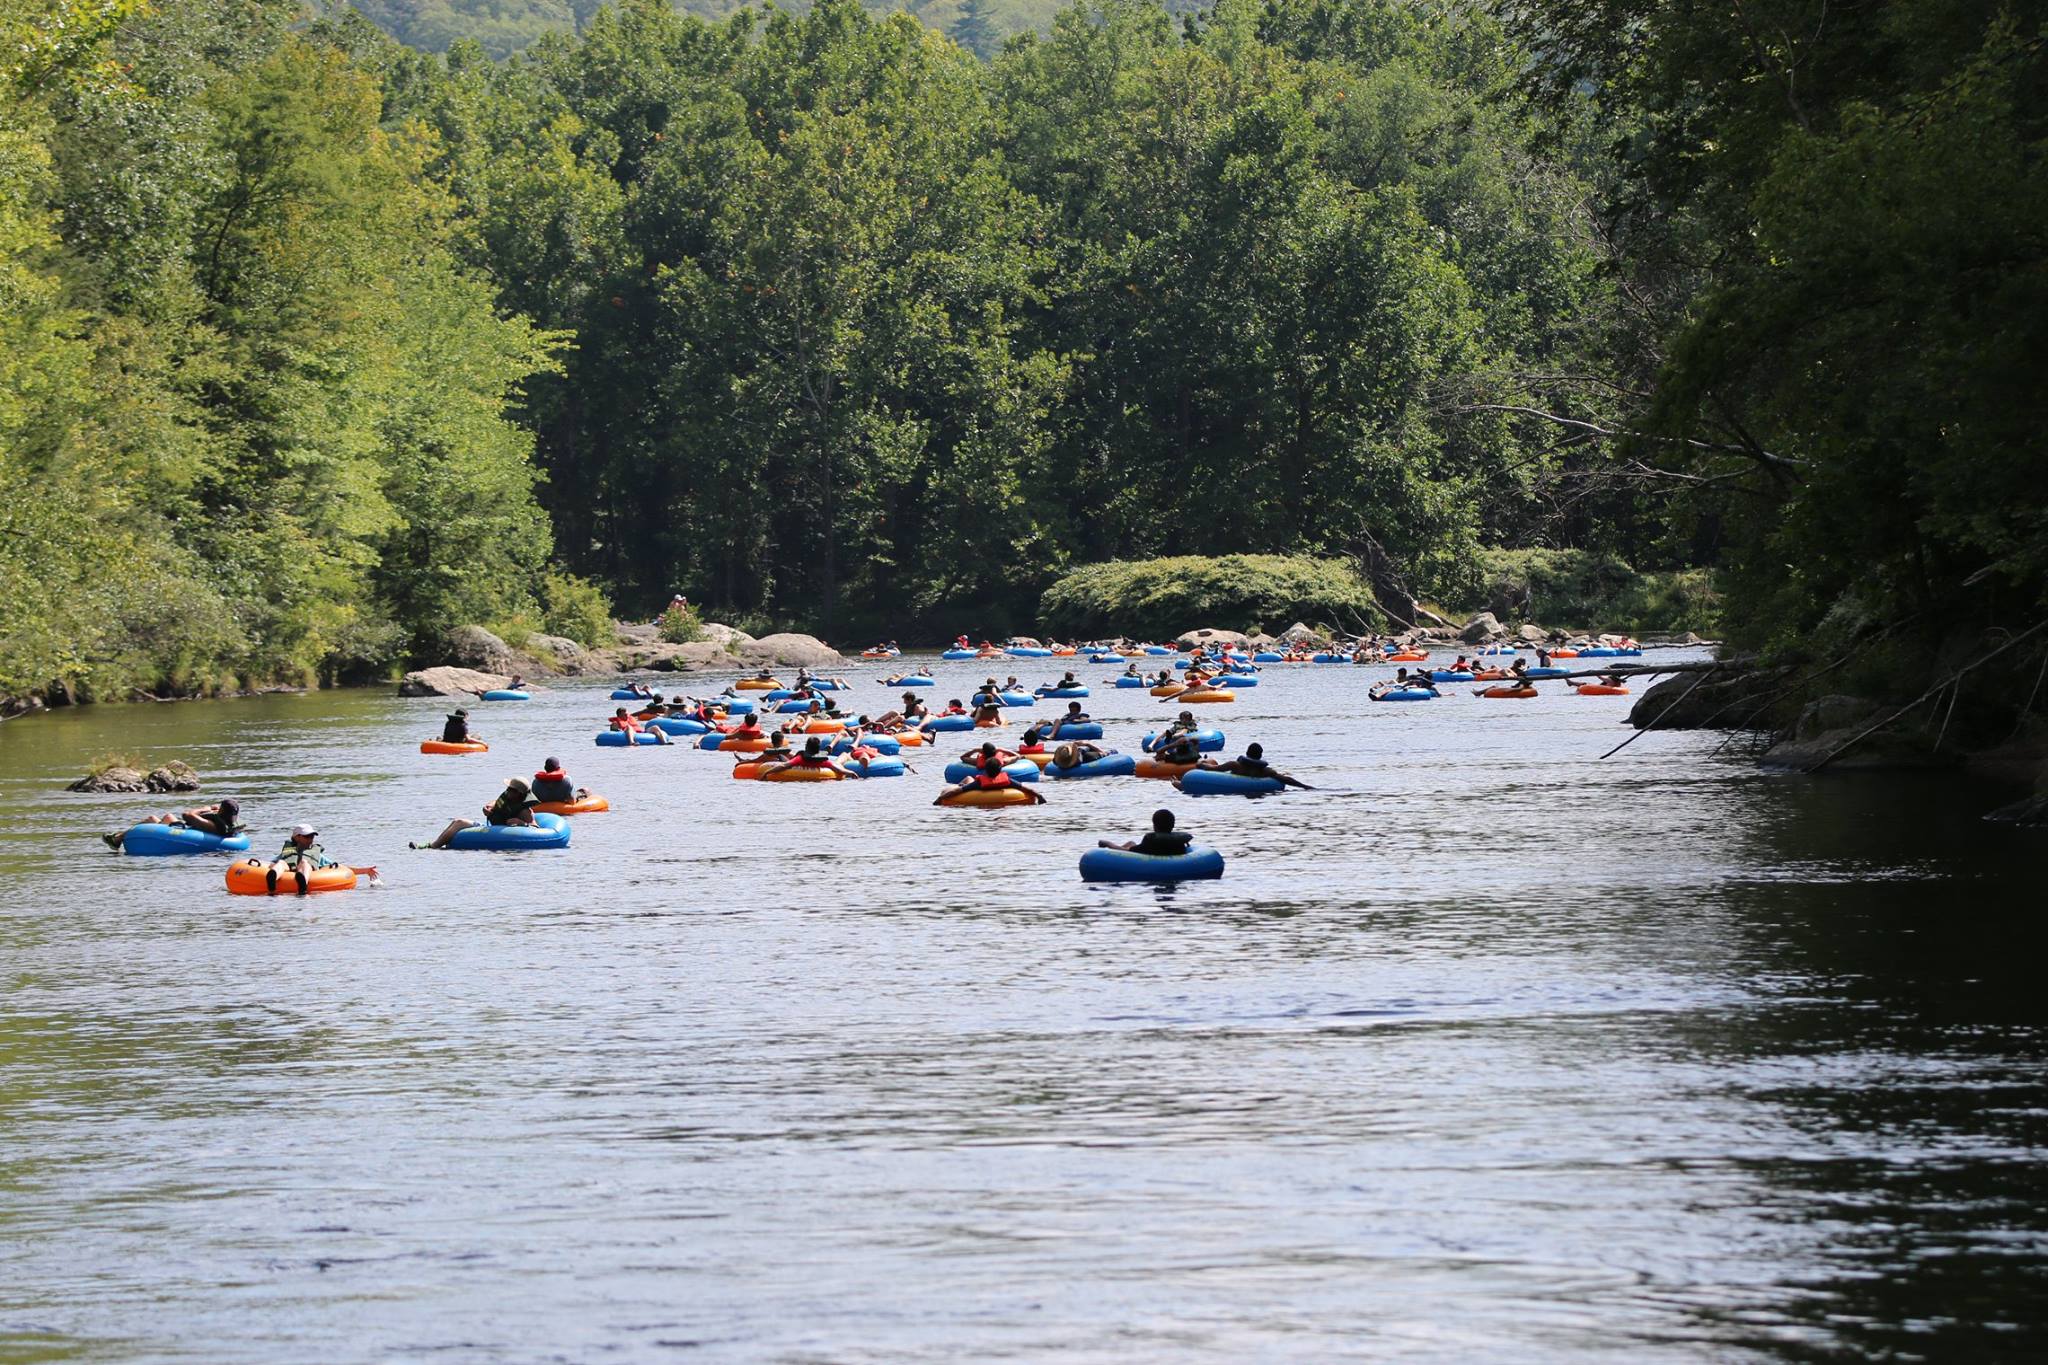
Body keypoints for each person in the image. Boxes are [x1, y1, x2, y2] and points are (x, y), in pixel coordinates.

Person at [419, 777, 541, 849]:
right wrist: (489, 806)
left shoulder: (525, 811)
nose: (507, 790)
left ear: (518, 793)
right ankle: (432, 846)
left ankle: (434, 847)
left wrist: (521, 824)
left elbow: (535, 828)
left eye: (510, 789)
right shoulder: (507, 798)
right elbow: (497, 802)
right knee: (458, 822)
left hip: (501, 835)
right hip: (490, 829)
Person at [102, 799, 244, 850]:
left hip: (185, 833)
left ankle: (117, 839)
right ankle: (117, 838)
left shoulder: (211, 824)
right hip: (192, 832)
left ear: (221, 811)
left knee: (152, 818)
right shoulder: (228, 823)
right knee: (168, 817)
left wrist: (205, 809)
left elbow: (187, 815)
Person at [936, 756, 1046, 805]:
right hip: (1004, 796)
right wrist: (1039, 797)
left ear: (986, 771)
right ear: (1000, 770)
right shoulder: (1007, 781)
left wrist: (940, 799)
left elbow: (957, 791)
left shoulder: (979, 783)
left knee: (968, 779)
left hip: (974, 793)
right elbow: (1026, 788)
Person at [266, 822, 339, 894]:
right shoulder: (288, 851)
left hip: (304, 868)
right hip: (289, 867)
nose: (310, 839)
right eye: (307, 837)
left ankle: (303, 883)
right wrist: (272, 866)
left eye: (312, 837)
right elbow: (272, 863)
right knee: (281, 863)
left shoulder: (315, 854)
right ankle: (273, 878)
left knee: (304, 863)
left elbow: (331, 865)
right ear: (297, 837)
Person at [1212, 742, 1311, 789]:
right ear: (1260, 756)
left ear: (1247, 753)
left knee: (1211, 762)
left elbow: (1214, 769)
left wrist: (1201, 763)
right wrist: (1305, 786)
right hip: (1257, 786)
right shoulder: (1265, 771)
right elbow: (1287, 780)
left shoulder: (1234, 765)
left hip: (1233, 786)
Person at [1099, 808, 1194, 856]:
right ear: (1172, 825)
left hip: (1146, 860)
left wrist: (1107, 843)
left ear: (1154, 826)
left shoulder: (1151, 841)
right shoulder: (1178, 842)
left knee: (1129, 846)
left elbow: (1125, 851)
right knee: (1131, 843)